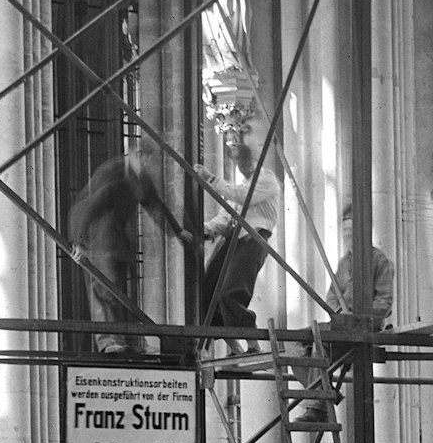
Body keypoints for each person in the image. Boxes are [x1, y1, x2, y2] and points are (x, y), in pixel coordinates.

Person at [66, 149, 197, 354]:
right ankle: (108, 342)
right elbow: (87, 207)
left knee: (118, 291)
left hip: (117, 241)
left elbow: (154, 203)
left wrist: (177, 231)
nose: (152, 168)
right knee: (104, 290)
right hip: (98, 238)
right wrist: (78, 242)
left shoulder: (139, 176)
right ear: (139, 156)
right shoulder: (112, 171)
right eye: (149, 161)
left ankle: (126, 340)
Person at [291, 200, 394, 427]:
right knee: (292, 343)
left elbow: (384, 301)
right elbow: (331, 297)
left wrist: (361, 317)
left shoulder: (379, 261)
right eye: (345, 231)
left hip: (366, 325)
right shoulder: (343, 263)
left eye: (352, 231)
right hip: (342, 324)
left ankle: (317, 407)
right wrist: (340, 314)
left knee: (319, 341)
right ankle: (325, 395)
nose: (348, 236)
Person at [197, 138, 282, 351]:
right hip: (234, 240)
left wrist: (211, 179)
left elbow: (243, 198)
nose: (242, 166)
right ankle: (235, 348)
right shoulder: (241, 184)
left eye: (244, 160)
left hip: (254, 239)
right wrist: (207, 229)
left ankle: (252, 344)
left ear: (255, 159)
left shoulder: (267, 179)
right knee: (209, 287)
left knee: (231, 291)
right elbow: (227, 215)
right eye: (238, 161)